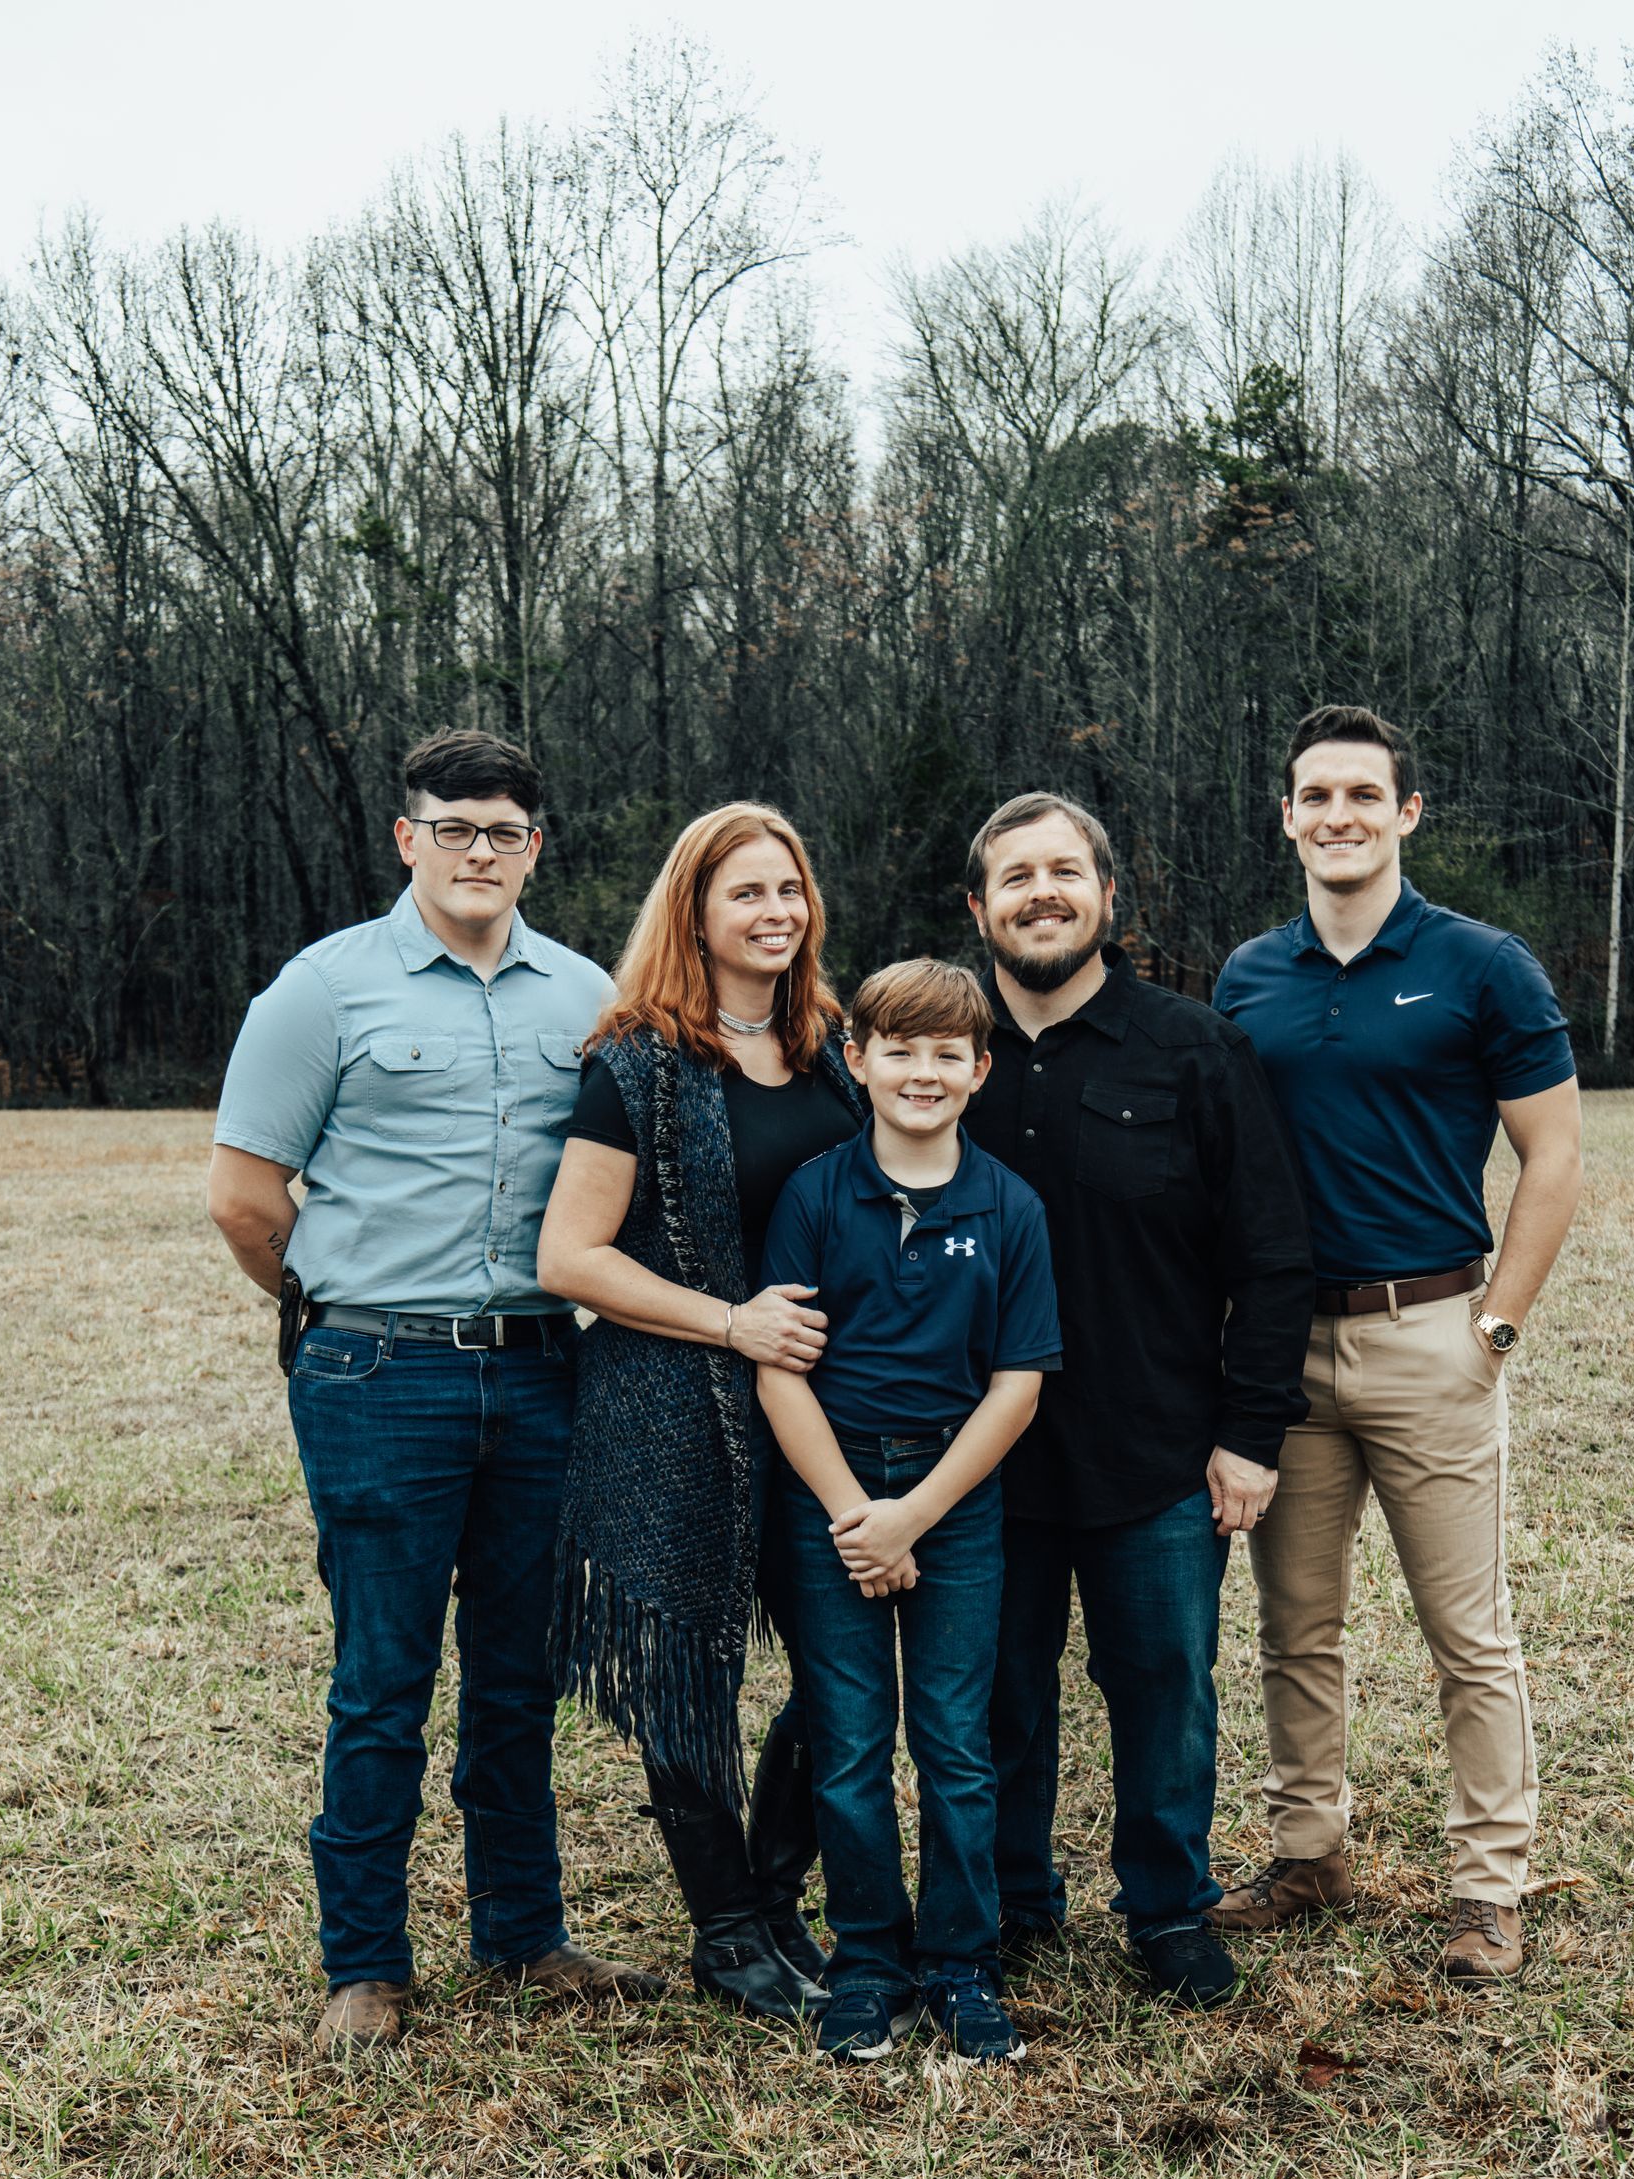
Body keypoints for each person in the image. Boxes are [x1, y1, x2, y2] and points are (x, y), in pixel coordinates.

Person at [208, 727, 662, 2052]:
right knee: (382, 1675)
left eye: (504, 831)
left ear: (535, 849)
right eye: (453, 827)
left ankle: (523, 1938)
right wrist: (331, 1311)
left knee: (519, 1677)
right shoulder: (323, 992)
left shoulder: (586, 996)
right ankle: (366, 1962)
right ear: (408, 839)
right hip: (374, 1371)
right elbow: (244, 1199)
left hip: (539, 1374)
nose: (478, 850)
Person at [1214, 705, 1583, 1982]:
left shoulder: (1483, 965)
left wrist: (1497, 1326)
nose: (1338, 816)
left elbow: (1555, 1155)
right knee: (1294, 1626)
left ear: (1406, 813)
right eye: (1315, 796)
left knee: (1466, 1637)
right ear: (1288, 818)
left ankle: (1490, 1888)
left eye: (1363, 795)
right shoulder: (1248, 977)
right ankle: (1309, 1851)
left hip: (1431, 1331)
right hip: (1287, 1353)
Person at [962, 793, 1317, 2007]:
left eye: (1066, 871)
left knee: (1164, 1692)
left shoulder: (1194, 1049)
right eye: (1016, 877)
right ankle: (1012, 1904)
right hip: (978, 1462)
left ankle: (1167, 1907)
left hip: (1158, 1452)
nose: (1042, 893)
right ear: (979, 909)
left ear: (1111, 898)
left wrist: (1249, 1436)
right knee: (998, 1697)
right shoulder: (934, 1056)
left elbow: (1271, 1259)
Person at [538, 805, 863, 2024]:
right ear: (696, 912)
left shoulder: (832, 1046)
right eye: (748, 894)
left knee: (840, 1668)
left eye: (792, 890)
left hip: (821, 1408)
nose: (776, 912)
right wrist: (730, 1322)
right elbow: (569, 1257)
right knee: (687, 1668)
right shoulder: (637, 1062)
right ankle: (727, 1933)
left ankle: (778, 1899)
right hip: (674, 1405)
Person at [756, 960, 1062, 2065]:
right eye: (900, 1049)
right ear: (858, 1061)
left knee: (955, 1745)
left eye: (947, 1054)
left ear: (980, 1071)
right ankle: (869, 1962)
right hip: (829, 1493)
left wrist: (915, 1518)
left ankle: (962, 1966)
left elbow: (1017, 1388)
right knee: (845, 1744)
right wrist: (855, 1515)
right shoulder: (816, 1193)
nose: (922, 1071)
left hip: (957, 1497)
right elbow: (780, 1370)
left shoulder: (1008, 1206)